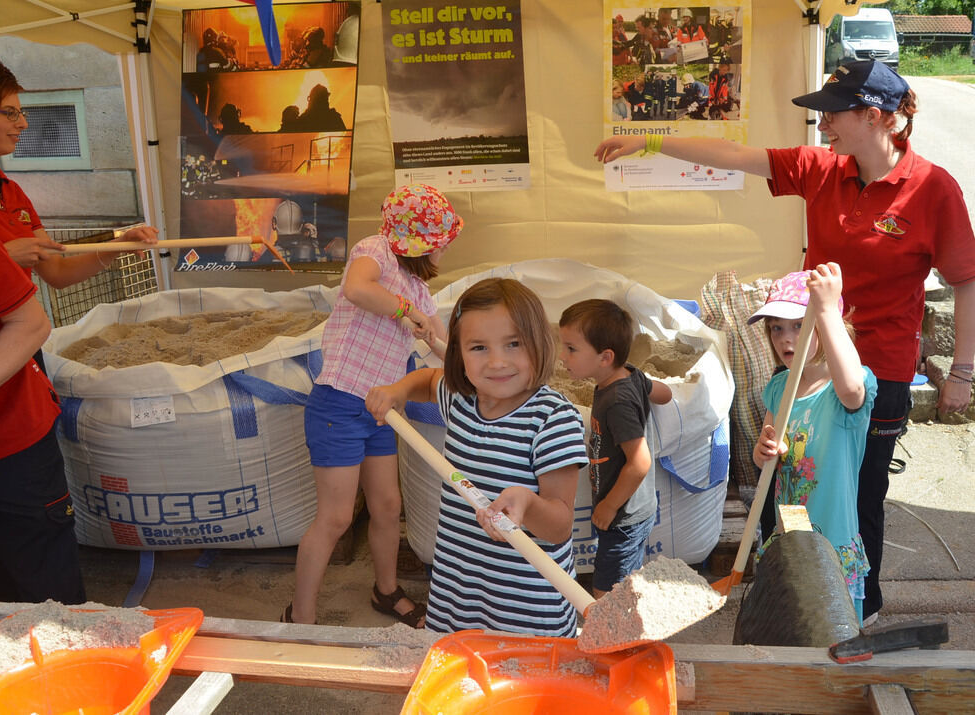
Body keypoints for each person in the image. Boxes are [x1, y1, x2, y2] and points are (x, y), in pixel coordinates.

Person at [594, 60, 975, 624]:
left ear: (875, 117)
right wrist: (647, 138)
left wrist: (963, 371)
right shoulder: (821, 170)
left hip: (879, 372)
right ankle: (785, 595)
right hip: (806, 369)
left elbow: (964, 279)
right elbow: (733, 157)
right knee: (787, 482)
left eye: (832, 113)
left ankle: (856, 610)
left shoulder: (932, 188)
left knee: (859, 494)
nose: (822, 125)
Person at [366, 278, 589, 637]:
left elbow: (560, 525)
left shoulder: (552, 418)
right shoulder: (462, 399)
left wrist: (528, 505)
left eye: (514, 344)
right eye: (479, 347)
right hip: (459, 589)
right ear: (459, 355)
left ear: (540, 343)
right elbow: (427, 379)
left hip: (527, 603)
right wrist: (397, 390)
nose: (498, 362)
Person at [286, 184, 462, 626]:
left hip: (382, 410)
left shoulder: (420, 291)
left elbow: (444, 345)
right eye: (442, 243)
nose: (445, 252)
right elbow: (356, 287)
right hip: (339, 403)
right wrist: (404, 311)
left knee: (387, 506)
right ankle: (300, 618)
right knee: (336, 518)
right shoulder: (375, 250)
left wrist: (482, 367)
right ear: (422, 243)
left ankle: (386, 592)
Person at [0, 55, 158, 368]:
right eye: (9, 113)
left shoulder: (10, 191)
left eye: (21, 113)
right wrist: (3, 256)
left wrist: (119, 246)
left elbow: (56, 271)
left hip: (19, 352)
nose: (23, 123)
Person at [750, 265, 876, 623]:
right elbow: (767, 452)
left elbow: (852, 389)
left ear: (827, 324)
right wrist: (764, 453)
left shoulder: (844, 391)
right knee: (794, 622)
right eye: (776, 328)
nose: (786, 338)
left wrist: (824, 307)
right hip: (788, 534)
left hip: (831, 537)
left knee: (833, 628)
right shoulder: (779, 388)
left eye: (800, 325)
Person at [0, 215, 85, 605]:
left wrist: (112, 251)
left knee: (42, 582)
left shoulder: (8, 194)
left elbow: (31, 321)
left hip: (10, 426)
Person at [557, 299, 672, 597]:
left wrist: (609, 506)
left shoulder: (617, 401)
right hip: (634, 509)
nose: (562, 357)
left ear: (605, 357)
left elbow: (640, 462)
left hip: (622, 515)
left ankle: (618, 638)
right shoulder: (631, 375)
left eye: (571, 349)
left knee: (606, 591)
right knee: (624, 576)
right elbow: (665, 393)